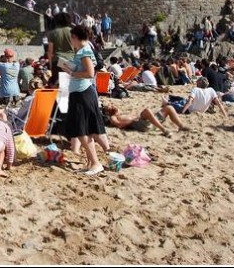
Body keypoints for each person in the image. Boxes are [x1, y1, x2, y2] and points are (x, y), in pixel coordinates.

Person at [58, 25, 106, 175]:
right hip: (81, 92)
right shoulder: (82, 50)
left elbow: (90, 73)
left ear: (75, 37)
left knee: (81, 131)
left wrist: (71, 71)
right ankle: (92, 162)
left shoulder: (84, 51)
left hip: (82, 93)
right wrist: (70, 68)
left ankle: (96, 163)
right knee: (85, 131)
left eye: (71, 38)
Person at [102, 98, 190, 137]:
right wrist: (132, 120)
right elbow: (119, 125)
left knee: (169, 108)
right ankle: (164, 130)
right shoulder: (113, 117)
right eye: (109, 106)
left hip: (148, 122)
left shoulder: (119, 113)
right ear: (107, 112)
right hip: (140, 125)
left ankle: (181, 126)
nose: (111, 105)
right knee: (147, 111)